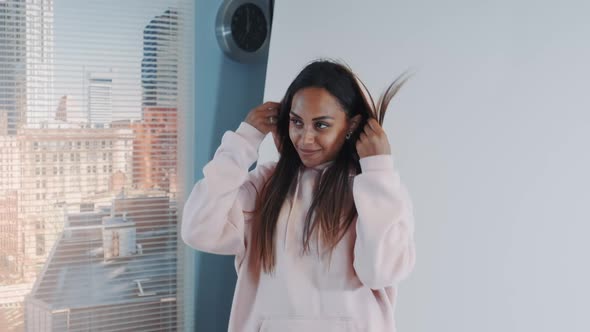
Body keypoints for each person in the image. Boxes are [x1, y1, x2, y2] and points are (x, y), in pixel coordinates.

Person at [182, 60, 416, 331]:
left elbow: (381, 272)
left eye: (321, 125)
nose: (305, 139)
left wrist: (377, 171)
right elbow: (198, 230)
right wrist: (241, 143)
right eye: (297, 122)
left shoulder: (375, 189)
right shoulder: (266, 186)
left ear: (351, 125)